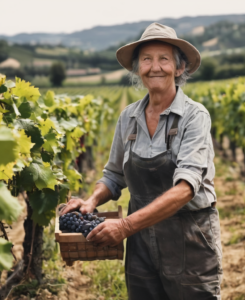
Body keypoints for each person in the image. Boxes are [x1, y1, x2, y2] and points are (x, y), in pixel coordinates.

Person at [62, 22, 223, 300]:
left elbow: (186, 188)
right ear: (138, 69)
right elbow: (113, 175)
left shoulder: (195, 117)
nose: (155, 67)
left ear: (179, 68)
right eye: (146, 59)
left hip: (189, 239)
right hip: (141, 245)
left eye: (163, 59)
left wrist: (124, 227)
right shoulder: (129, 117)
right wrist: (91, 202)